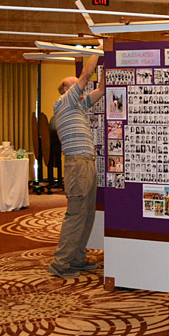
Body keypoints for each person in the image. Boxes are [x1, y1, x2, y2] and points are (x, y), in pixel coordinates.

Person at [49, 54, 105, 279]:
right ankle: (60, 263)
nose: (81, 87)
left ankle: (77, 258)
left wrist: (109, 64)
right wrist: (98, 49)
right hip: (78, 164)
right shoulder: (64, 103)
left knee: (87, 214)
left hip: (85, 163)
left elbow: (99, 91)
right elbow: (86, 75)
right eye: (76, 86)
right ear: (66, 90)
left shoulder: (78, 106)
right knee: (75, 214)